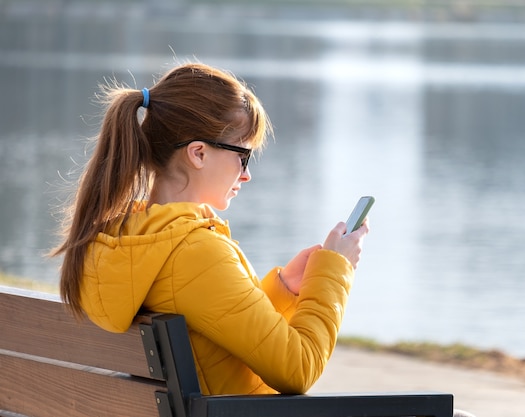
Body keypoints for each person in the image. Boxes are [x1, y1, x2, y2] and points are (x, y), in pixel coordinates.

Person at [50, 62, 369, 395]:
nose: (246, 174)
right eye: (243, 156)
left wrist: (285, 290)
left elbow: (210, 317)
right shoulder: (194, 252)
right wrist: (335, 270)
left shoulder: (125, 239)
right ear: (198, 153)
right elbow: (298, 368)